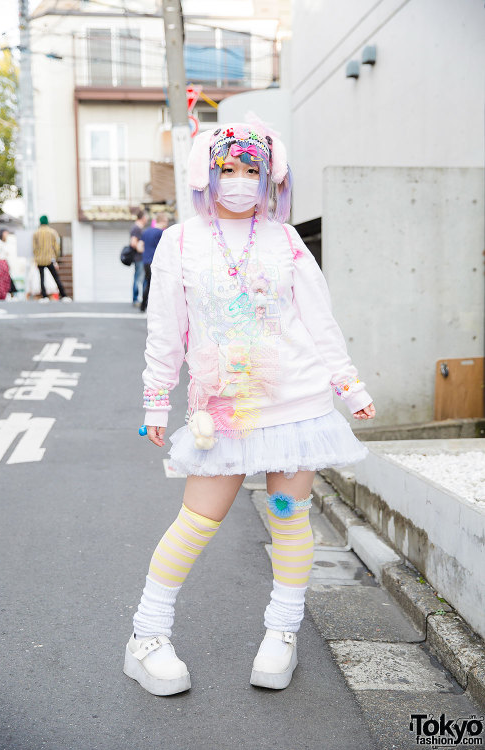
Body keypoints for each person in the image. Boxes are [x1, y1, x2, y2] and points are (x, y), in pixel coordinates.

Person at [124, 120, 376, 697]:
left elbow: (319, 320)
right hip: (225, 414)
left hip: (299, 407)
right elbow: (165, 330)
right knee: (197, 522)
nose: (239, 182)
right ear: (206, 174)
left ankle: (281, 635)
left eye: (251, 170)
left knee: (289, 514)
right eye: (228, 170)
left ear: (271, 176)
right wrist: (156, 398)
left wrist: (350, 387)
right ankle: (146, 637)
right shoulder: (179, 242)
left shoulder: (285, 240)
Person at [32, 216, 72, 303]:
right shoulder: (52, 232)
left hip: (40, 260)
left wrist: (36, 258)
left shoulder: (36, 233)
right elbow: (57, 247)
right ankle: (64, 295)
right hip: (50, 259)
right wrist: (55, 258)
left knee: (41, 278)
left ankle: (44, 297)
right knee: (56, 278)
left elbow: (34, 248)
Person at [139, 213, 169, 312]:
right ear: (163, 221)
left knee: (148, 283)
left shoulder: (146, 232)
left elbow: (140, 247)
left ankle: (143, 305)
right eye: (166, 222)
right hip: (156, 263)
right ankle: (155, 307)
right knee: (157, 285)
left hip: (145, 261)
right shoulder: (161, 233)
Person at [129, 209, 148, 307]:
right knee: (138, 278)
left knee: (142, 278)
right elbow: (133, 242)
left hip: (141, 258)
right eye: (146, 216)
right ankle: (136, 299)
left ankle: (142, 299)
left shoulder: (138, 228)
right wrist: (141, 249)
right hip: (139, 258)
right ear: (143, 217)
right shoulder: (136, 228)